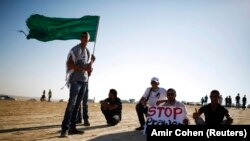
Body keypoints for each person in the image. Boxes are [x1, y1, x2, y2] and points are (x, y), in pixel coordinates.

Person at [60, 32, 96, 137]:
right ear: (80, 38)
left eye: (86, 37)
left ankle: (72, 128)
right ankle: (64, 129)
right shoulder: (75, 49)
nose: (84, 38)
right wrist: (85, 68)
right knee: (71, 104)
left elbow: (88, 71)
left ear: (89, 40)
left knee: (77, 106)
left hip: (84, 82)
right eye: (82, 36)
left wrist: (91, 64)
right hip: (76, 81)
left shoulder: (88, 52)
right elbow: (69, 64)